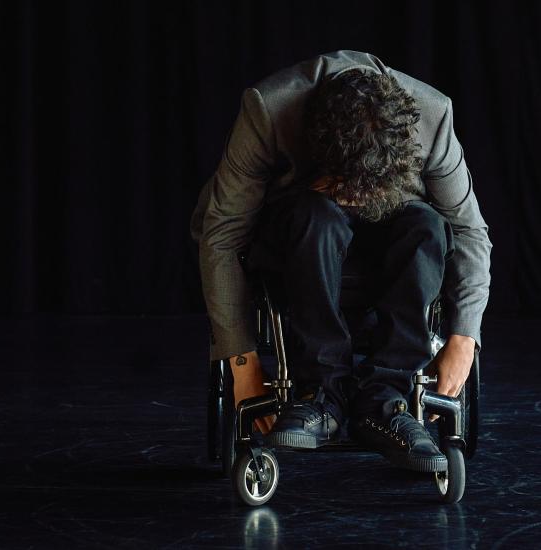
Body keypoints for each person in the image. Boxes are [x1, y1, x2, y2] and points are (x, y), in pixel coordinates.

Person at [190, 50, 492, 472]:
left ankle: (385, 401)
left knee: (426, 225)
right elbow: (221, 234)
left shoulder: (432, 116)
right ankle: (319, 396)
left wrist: (463, 339)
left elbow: (469, 231)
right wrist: (242, 360)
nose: (356, 199)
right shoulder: (268, 110)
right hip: (302, 233)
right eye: (345, 186)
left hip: (392, 231)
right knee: (319, 216)